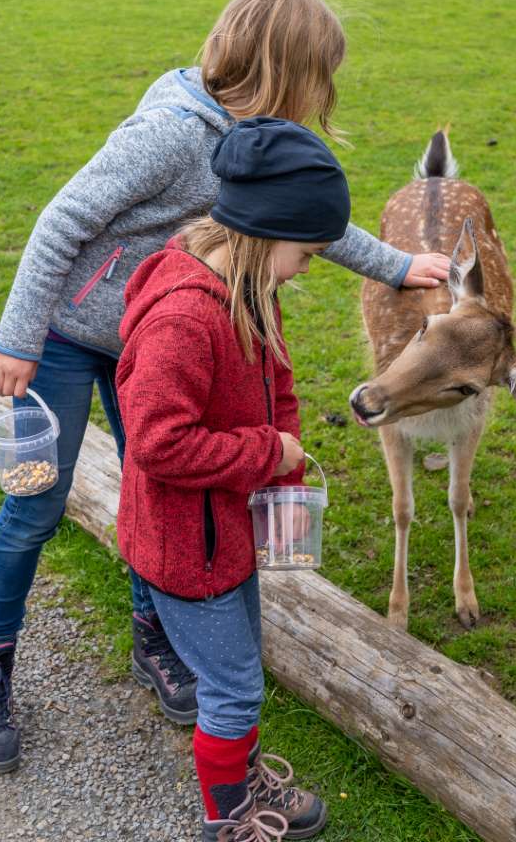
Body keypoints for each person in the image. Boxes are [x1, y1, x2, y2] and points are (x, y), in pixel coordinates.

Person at [0, 0, 450, 776]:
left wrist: (395, 264)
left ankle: (157, 636)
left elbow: (304, 220)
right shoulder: (170, 135)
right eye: (322, 75)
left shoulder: (254, 139)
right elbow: (60, 222)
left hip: (148, 336)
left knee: (164, 489)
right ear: (286, 70)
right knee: (35, 505)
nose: (327, 93)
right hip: (63, 335)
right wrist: (17, 340)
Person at [116, 117, 352, 841]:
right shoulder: (186, 319)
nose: (307, 269)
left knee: (237, 670)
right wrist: (264, 453)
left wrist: (285, 451)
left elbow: (274, 375)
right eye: (306, 254)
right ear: (263, 231)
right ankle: (230, 818)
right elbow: (158, 442)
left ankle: (240, 778)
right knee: (233, 689)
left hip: (227, 534)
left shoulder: (246, 286)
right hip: (190, 550)